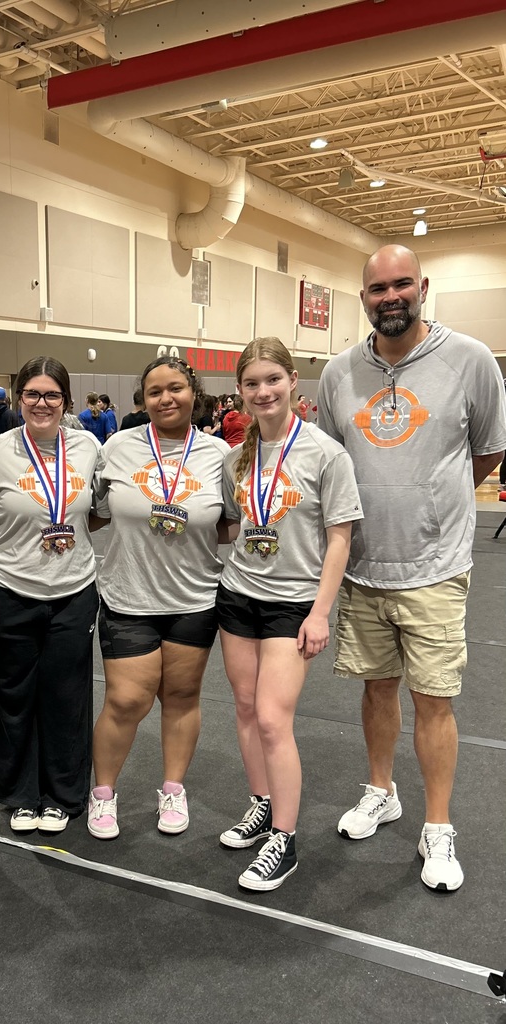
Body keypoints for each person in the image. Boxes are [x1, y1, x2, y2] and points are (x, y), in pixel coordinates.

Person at [318, 244, 506, 892]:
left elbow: (485, 452)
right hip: (364, 568)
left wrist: (429, 506)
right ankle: (380, 791)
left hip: (433, 567)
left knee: (434, 700)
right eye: (377, 288)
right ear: (362, 296)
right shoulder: (338, 372)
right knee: (375, 690)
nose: (390, 296)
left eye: (402, 284)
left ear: (421, 287)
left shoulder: (469, 360)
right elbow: (331, 467)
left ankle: (436, 825)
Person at [217, 337, 362, 891]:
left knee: (276, 720)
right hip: (238, 596)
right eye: (251, 383)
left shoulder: (326, 454)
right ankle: (261, 803)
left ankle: (285, 838)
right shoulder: (236, 457)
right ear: (240, 391)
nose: (263, 392)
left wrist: (320, 612)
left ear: (293, 381)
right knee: (248, 707)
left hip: (293, 604)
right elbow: (230, 522)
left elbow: (340, 539)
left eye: (272, 380)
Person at [89, 356, 230, 838]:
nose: (166, 398)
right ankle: (103, 793)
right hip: (129, 596)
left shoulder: (218, 454)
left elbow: (231, 522)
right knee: (126, 700)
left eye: (175, 389)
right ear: (142, 399)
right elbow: (90, 510)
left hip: (194, 597)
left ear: (194, 393)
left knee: (183, 696)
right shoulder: (117, 447)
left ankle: (173, 787)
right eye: (154, 392)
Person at [0, 357, 101, 834]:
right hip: (9, 588)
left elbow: (100, 511)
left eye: (52, 395)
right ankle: (20, 794)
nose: (42, 403)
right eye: (32, 394)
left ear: (66, 401)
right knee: (12, 694)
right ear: (18, 398)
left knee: (67, 695)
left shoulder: (89, 447)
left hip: (73, 590)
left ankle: (64, 795)